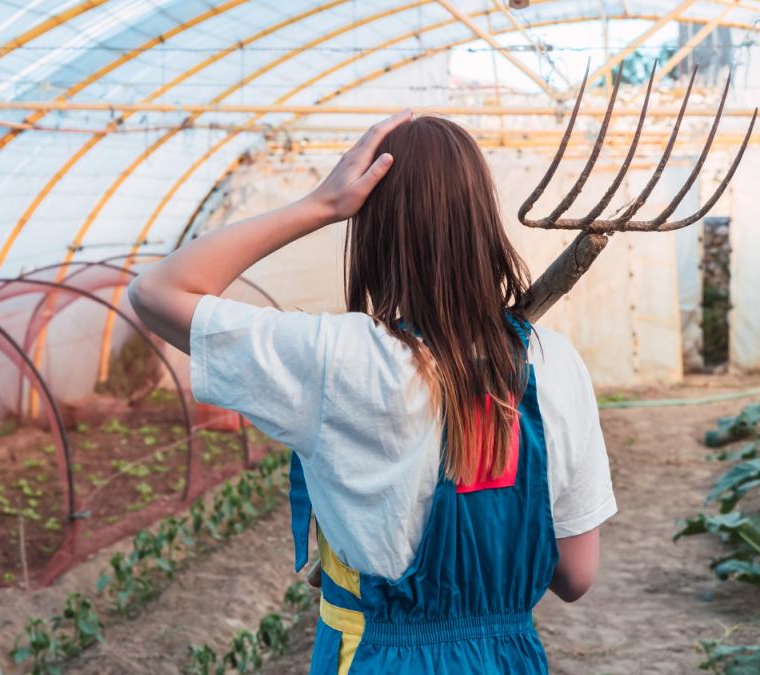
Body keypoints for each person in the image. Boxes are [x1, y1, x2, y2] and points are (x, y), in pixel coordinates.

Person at [127, 111, 615, 674]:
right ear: (485, 220)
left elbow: (157, 292)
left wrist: (321, 204)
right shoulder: (554, 363)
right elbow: (576, 576)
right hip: (507, 658)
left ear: (373, 232)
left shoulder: (336, 359)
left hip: (378, 658)